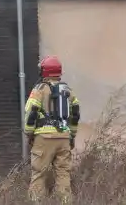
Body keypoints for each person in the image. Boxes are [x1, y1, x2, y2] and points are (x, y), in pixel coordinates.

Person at [24, 55, 81, 203]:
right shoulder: (68, 91)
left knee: (39, 174)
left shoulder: (39, 89)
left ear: (44, 71)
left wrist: (29, 133)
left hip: (44, 139)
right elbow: (75, 114)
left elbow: (30, 112)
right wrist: (72, 136)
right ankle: (65, 201)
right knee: (63, 174)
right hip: (64, 138)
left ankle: (37, 202)